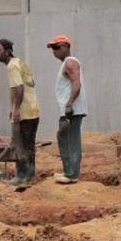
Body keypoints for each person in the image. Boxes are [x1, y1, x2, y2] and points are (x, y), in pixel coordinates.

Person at [0, 38, 40, 186]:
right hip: (34, 111)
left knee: (19, 145)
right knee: (29, 146)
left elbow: (19, 88)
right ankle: (30, 177)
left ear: (7, 52)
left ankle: (21, 177)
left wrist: (17, 110)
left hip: (24, 113)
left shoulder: (12, 67)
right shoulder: (20, 62)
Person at [47, 35, 86, 184]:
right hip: (69, 109)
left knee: (71, 140)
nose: (54, 51)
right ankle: (68, 171)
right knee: (63, 138)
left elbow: (77, 84)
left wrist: (69, 104)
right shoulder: (66, 63)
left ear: (66, 47)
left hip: (72, 110)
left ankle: (71, 174)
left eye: (56, 47)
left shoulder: (70, 63)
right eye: (52, 48)